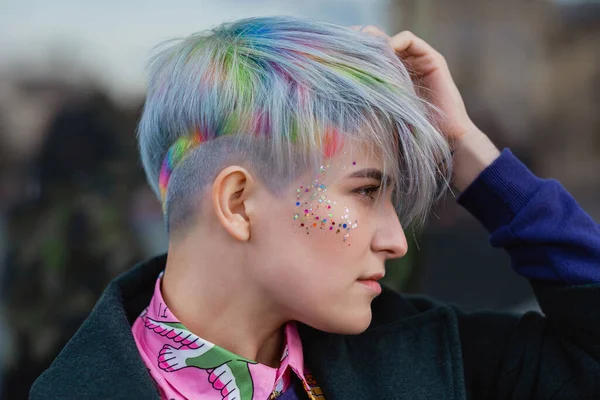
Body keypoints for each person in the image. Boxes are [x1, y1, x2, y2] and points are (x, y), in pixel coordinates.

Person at [31, 16, 600, 399]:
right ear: (238, 202)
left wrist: (467, 149)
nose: (396, 240)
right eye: (365, 190)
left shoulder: (430, 355)